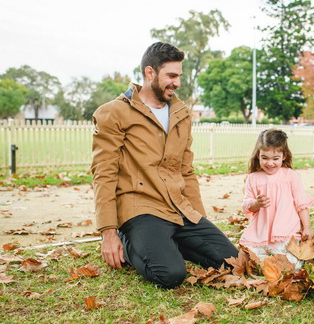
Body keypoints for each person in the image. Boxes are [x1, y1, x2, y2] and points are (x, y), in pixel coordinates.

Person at [91, 42, 238, 289]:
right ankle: (130, 241)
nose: (177, 83)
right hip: (141, 208)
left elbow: (186, 170)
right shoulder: (113, 113)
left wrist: (200, 220)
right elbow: (104, 173)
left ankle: (166, 243)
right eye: (171, 75)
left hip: (178, 206)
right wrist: (109, 232)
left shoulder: (181, 114)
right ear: (150, 73)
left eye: (179, 76)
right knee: (170, 275)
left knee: (233, 263)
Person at [239, 129, 314, 262]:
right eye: (265, 158)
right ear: (258, 155)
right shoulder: (253, 178)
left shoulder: (290, 176)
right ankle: (264, 260)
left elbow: (301, 204)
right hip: (259, 234)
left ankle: (281, 260)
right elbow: (247, 206)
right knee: (251, 262)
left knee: (289, 264)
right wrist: (256, 203)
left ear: (284, 156)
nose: (270, 163)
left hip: (286, 233)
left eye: (275, 158)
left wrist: (307, 227)